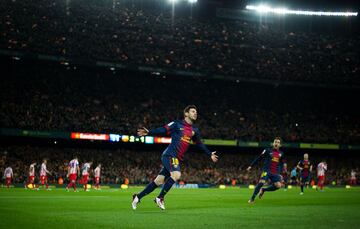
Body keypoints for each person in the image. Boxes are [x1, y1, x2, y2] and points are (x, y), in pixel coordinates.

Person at [132, 105, 218, 210]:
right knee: (176, 175)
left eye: (196, 112)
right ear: (186, 114)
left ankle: (137, 197)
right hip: (169, 155)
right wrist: (149, 132)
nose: (195, 113)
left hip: (176, 158)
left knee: (158, 181)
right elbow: (163, 129)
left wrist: (209, 154)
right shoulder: (177, 124)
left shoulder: (194, 130)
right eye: (193, 111)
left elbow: (199, 144)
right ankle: (160, 198)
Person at [247, 137, 285, 203]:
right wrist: (251, 166)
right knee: (261, 182)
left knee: (278, 185)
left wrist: (280, 173)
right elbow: (259, 158)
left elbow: (281, 164)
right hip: (267, 171)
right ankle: (252, 199)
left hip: (275, 172)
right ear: (273, 143)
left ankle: (264, 190)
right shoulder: (267, 150)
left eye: (278, 142)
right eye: (275, 142)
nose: (276, 143)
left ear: (280, 145)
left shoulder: (281, 153)